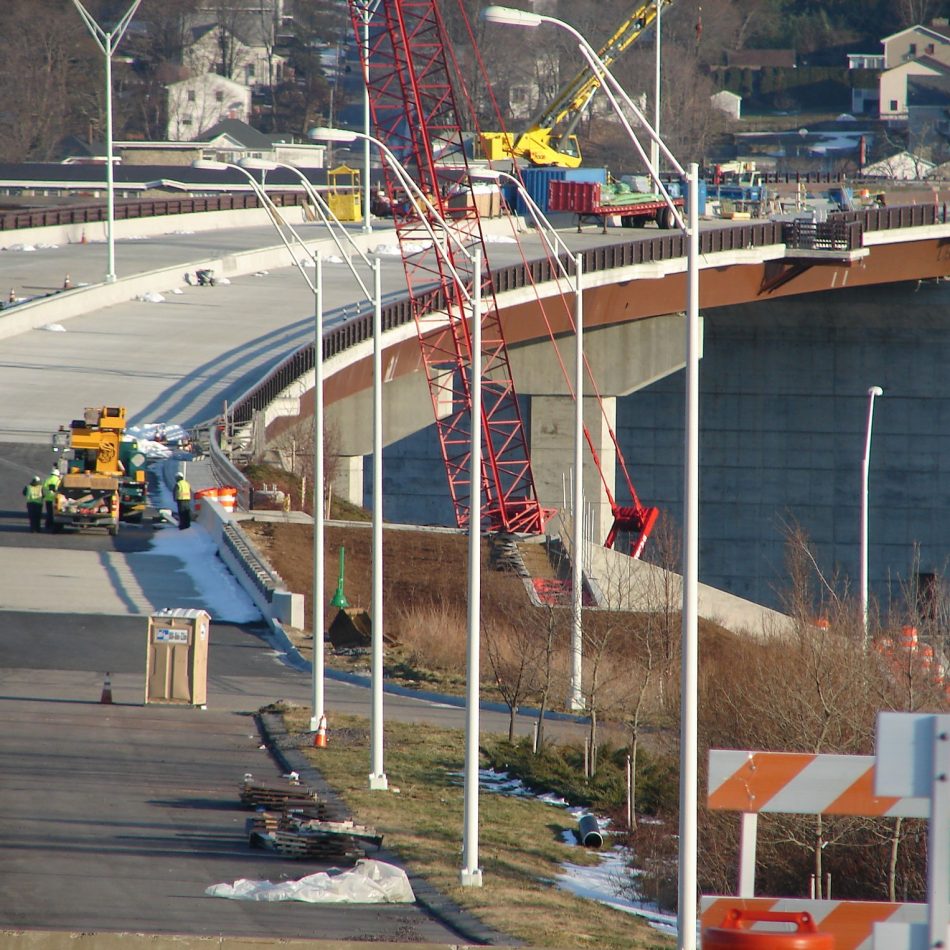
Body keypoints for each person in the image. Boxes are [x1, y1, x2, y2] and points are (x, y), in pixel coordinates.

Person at [42, 466, 61, 531]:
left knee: (49, 513)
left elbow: (43, 488)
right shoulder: (58, 480)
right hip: (55, 499)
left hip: (47, 499)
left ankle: (47, 524)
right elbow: (59, 489)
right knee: (55, 513)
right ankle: (53, 525)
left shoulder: (47, 479)